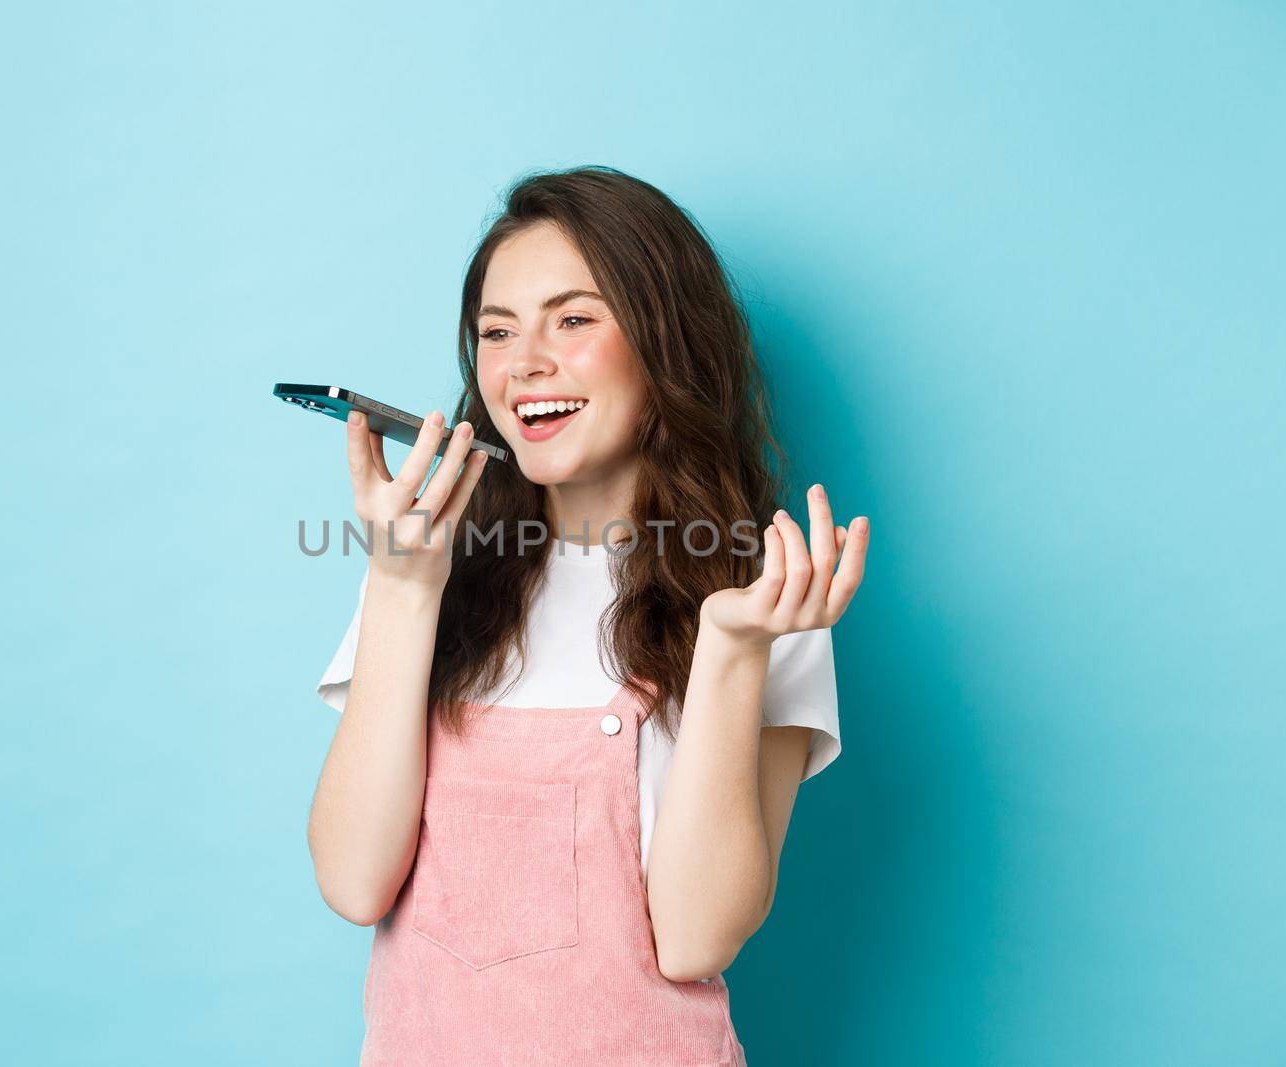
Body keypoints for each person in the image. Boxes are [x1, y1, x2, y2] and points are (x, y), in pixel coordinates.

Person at [306, 165, 870, 1066]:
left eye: (573, 318)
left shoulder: (764, 596)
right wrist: (404, 590)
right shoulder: (424, 566)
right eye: (497, 331)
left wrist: (730, 653)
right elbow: (352, 878)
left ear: (666, 343)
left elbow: (695, 939)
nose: (524, 360)